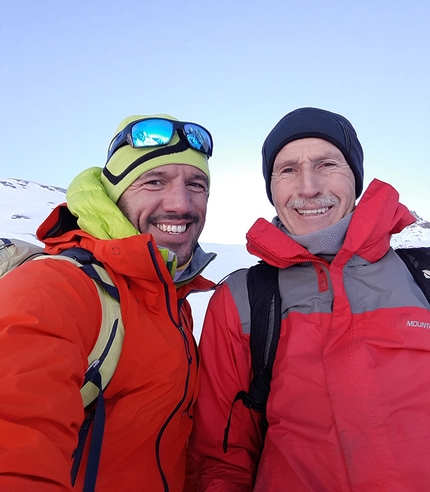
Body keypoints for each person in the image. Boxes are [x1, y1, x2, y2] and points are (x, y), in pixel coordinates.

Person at [190, 107, 430, 492]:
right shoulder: (242, 299)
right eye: (287, 170)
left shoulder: (422, 276)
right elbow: (220, 461)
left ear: (355, 178)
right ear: (272, 189)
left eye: (328, 164)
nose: (307, 188)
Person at [0, 114, 216, 492]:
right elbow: (15, 438)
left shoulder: (172, 299)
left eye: (196, 184)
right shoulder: (57, 286)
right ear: (115, 195)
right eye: (154, 182)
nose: (181, 203)